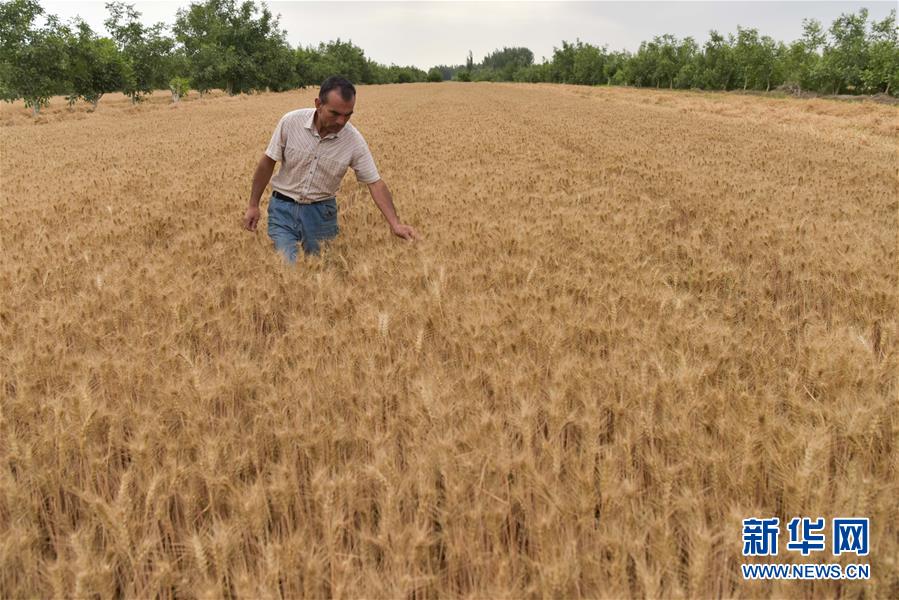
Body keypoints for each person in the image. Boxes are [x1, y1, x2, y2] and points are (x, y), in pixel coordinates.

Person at [243, 75, 418, 263]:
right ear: (318, 104)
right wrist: (253, 204)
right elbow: (268, 162)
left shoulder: (354, 141)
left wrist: (395, 223)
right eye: (335, 113)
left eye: (348, 114)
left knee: (319, 272)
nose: (342, 121)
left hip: (321, 214)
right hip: (283, 209)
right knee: (287, 267)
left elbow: (375, 183)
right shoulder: (290, 122)